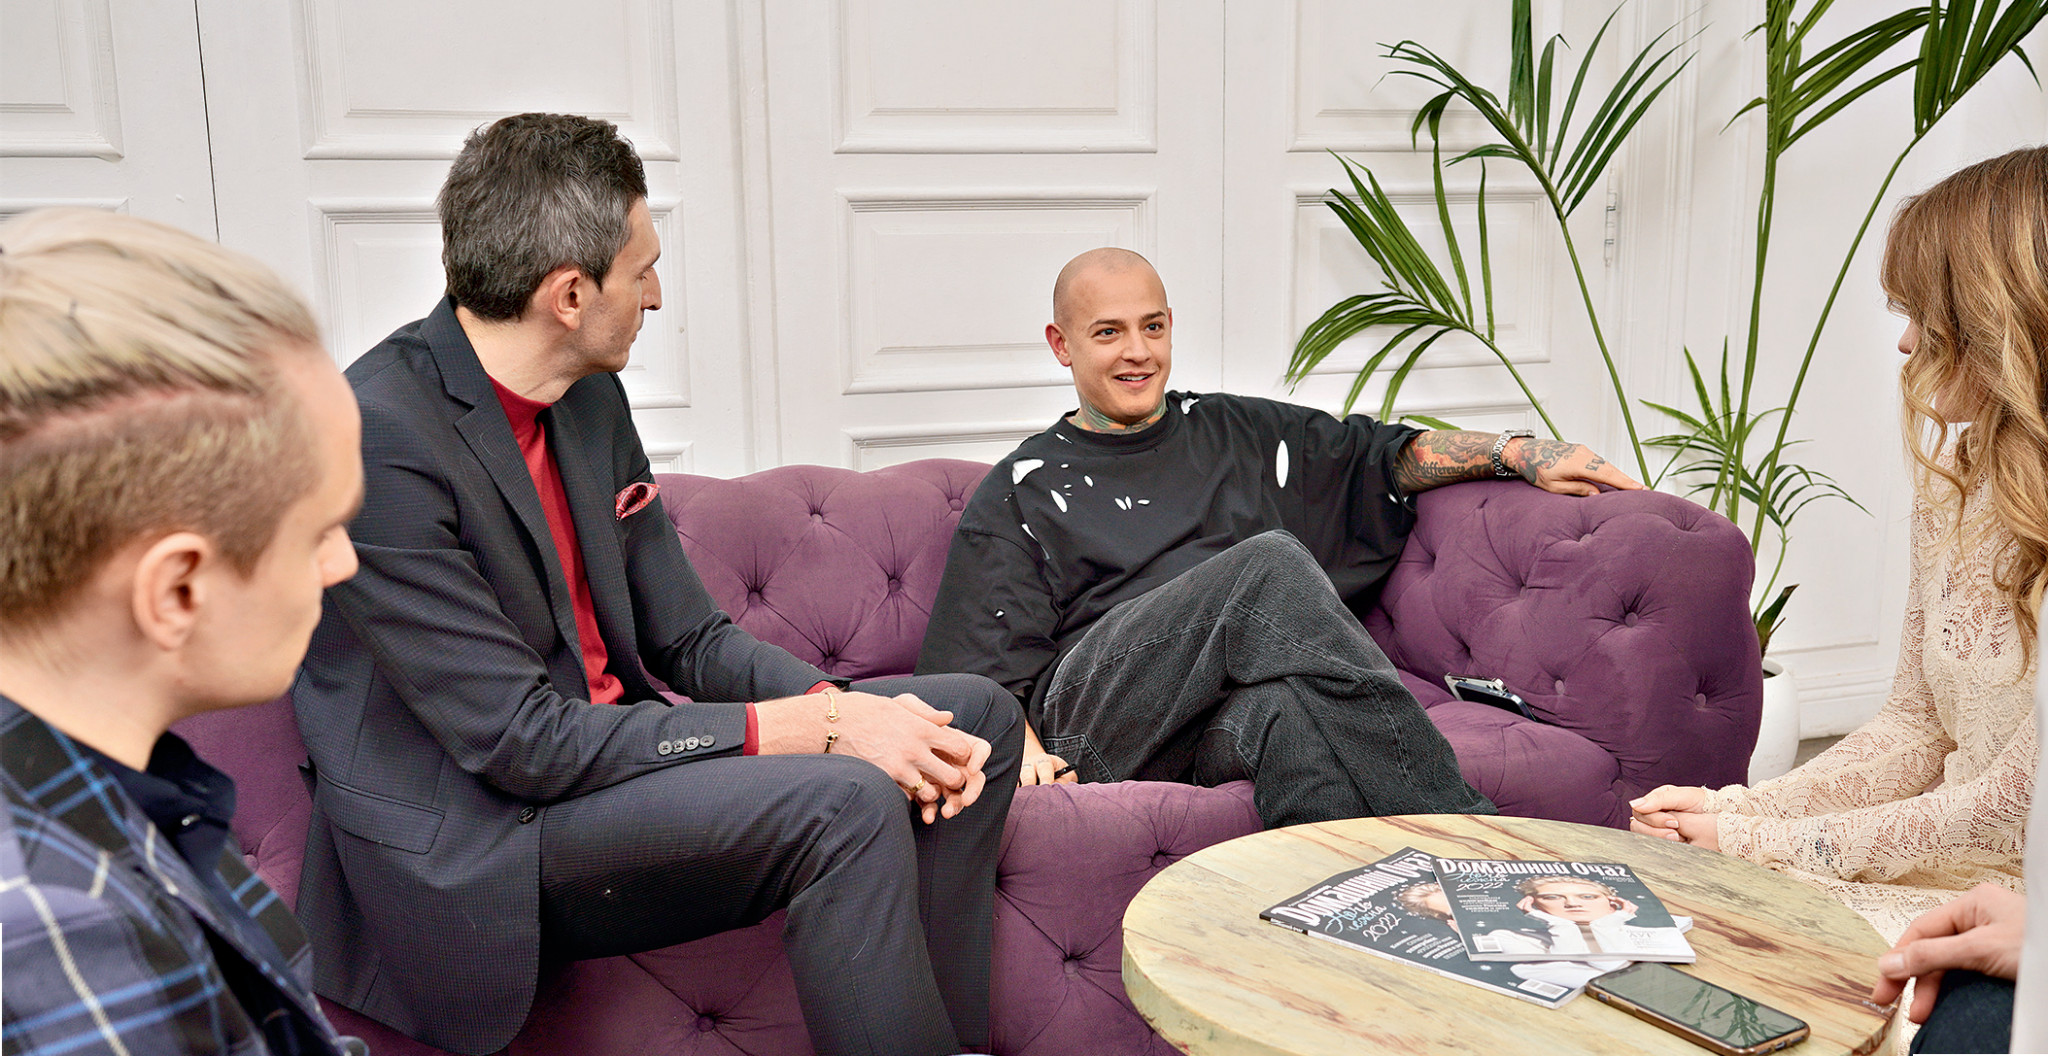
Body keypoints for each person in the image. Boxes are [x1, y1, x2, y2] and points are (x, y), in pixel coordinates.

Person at [291, 113, 1022, 1056]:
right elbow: (523, 743)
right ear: (569, 294)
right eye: (641, 271)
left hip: (604, 766)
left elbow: (689, 639)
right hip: (493, 833)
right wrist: (819, 728)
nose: (657, 295)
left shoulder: (588, 395)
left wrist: (846, 710)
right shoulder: (381, 439)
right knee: (842, 803)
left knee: (975, 718)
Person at [915, 246, 1641, 828]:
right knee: (1266, 566)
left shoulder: (1233, 431)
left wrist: (1518, 452)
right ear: (1061, 344)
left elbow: (1378, 457)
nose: (1138, 351)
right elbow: (975, 673)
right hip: (1095, 727)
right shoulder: (1023, 487)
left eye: (1152, 327)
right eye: (1108, 332)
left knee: (1296, 719)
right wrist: (1025, 752)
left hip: (1208, 725)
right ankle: (1468, 838)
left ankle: (1339, 933)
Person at [1630, 146, 2047, 948]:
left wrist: (1751, 838)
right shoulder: (1963, 477)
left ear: (2006, 321)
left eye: (1928, 316)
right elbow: (1915, 728)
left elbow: (2011, 807)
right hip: (1934, 866)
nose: (1907, 344)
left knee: (1714, 940)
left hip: (2019, 911)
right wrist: (1734, 808)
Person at [0, 209, 364, 1054]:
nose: (342, 563)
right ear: (177, 589)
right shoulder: (62, 937)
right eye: (319, 532)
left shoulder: (118, 790)